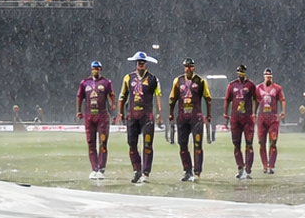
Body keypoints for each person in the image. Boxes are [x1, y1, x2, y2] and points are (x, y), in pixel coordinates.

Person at [118, 52, 162, 184]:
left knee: (148, 145)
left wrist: (159, 113)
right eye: (138, 63)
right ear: (136, 64)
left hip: (147, 117)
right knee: (132, 144)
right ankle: (137, 170)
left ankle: (146, 173)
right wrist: (120, 113)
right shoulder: (128, 78)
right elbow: (122, 96)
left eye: (142, 63)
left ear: (146, 64)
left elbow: (158, 95)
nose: (140, 65)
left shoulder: (153, 79)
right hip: (132, 117)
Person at [168, 58, 211, 182]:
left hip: (196, 118)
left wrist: (209, 115)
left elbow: (208, 98)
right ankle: (187, 170)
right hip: (182, 118)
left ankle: (197, 172)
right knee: (182, 145)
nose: (188, 69)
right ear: (184, 68)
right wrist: (171, 113)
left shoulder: (201, 81)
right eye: (186, 66)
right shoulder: (178, 81)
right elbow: (172, 98)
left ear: (194, 67)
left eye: (190, 66)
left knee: (198, 145)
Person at [75, 60, 116, 180]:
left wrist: (113, 109)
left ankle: (101, 168)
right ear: (91, 69)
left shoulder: (106, 82)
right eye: (93, 68)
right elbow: (80, 97)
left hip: (102, 116)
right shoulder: (85, 83)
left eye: (97, 68)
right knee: (90, 143)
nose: (95, 70)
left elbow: (112, 97)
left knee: (103, 143)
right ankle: (94, 168)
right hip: (89, 117)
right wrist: (79, 111)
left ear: (100, 69)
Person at [222, 64, 258, 179]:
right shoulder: (232, 85)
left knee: (249, 144)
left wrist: (254, 112)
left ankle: (248, 170)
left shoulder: (251, 85)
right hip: (235, 118)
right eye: (239, 72)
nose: (240, 74)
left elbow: (256, 99)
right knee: (236, 144)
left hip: (247, 118)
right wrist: (225, 113)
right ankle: (240, 168)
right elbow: (227, 99)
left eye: (242, 72)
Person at [255, 68, 286, 176]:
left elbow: (282, 99)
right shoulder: (258, 88)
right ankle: (265, 165)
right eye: (266, 75)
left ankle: (271, 165)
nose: (268, 77)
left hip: (273, 117)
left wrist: (283, 111)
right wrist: (253, 114)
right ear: (264, 76)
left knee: (273, 142)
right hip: (262, 117)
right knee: (261, 142)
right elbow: (256, 101)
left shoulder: (277, 88)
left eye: (270, 75)